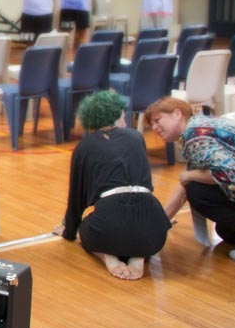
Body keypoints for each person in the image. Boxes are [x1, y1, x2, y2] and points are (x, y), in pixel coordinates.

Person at [53, 92, 170, 280]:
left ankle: (108, 255)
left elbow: (76, 198)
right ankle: (140, 254)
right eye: (123, 116)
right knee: (139, 230)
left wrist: (69, 231)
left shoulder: (84, 146)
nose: (125, 121)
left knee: (87, 229)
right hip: (153, 226)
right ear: (114, 117)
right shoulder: (136, 137)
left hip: (111, 222)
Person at [146, 97, 235, 264]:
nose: (155, 128)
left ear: (177, 114)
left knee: (198, 191)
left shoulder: (195, 135)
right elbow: (183, 186)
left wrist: (189, 176)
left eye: (157, 120)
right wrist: (161, 224)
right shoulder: (202, 124)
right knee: (227, 230)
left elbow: (221, 173)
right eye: (152, 125)